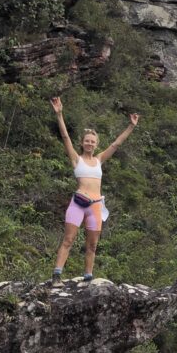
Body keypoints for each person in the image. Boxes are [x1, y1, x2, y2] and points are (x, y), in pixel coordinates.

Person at [50, 97, 139, 283]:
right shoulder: (76, 159)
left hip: (95, 206)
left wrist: (131, 126)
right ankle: (57, 273)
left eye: (93, 141)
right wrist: (59, 114)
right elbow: (65, 137)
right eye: (87, 141)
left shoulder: (99, 159)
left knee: (92, 245)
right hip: (78, 204)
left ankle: (88, 277)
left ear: (96, 144)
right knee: (68, 240)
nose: (90, 144)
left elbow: (116, 144)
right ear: (82, 143)